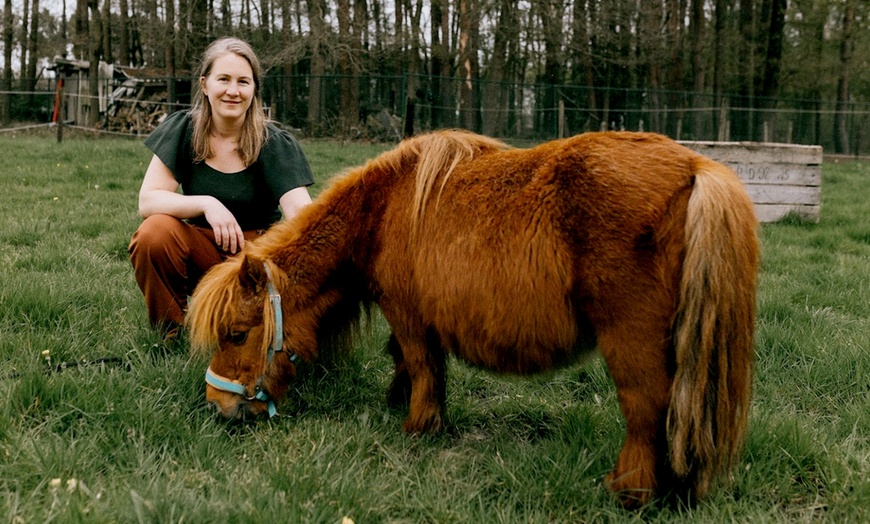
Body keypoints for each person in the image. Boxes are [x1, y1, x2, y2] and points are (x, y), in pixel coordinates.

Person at [129, 37, 314, 336]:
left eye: (243, 81)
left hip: (253, 260)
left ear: (254, 90)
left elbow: (300, 212)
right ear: (204, 84)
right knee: (154, 233)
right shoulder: (183, 129)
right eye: (223, 79)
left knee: (242, 331)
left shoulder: (273, 142)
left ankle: (250, 324)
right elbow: (148, 201)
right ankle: (170, 332)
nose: (233, 91)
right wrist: (207, 204)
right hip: (199, 250)